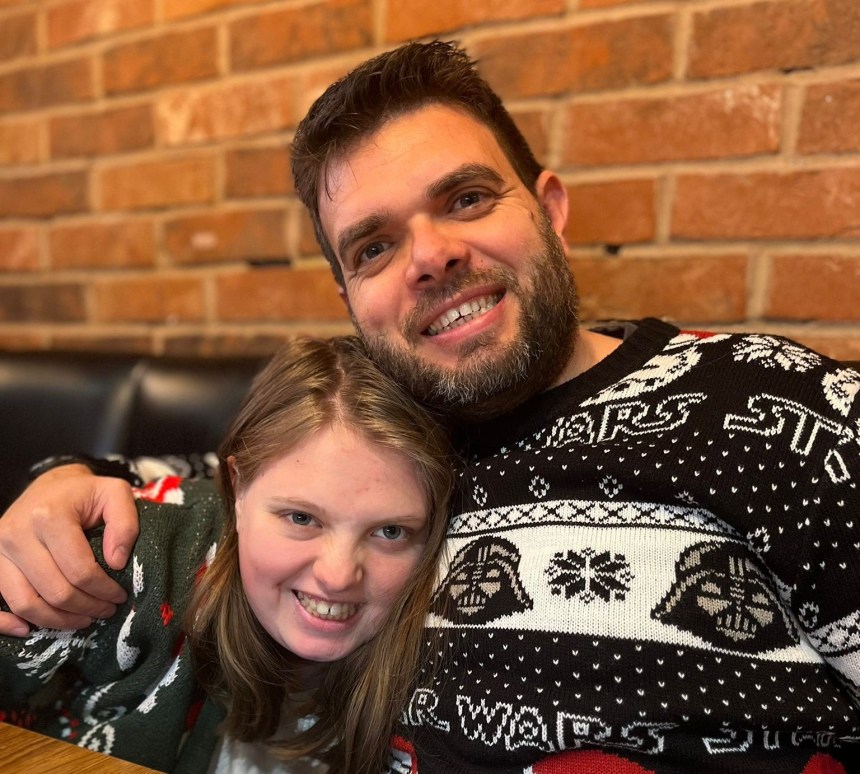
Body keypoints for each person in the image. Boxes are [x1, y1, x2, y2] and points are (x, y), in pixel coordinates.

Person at [1, 40, 859, 772]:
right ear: (350, 298)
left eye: (466, 199)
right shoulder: (387, 434)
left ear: (551, 212)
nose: (432, 255)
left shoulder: (772, 407)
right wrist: (67, 481)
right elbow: (218, 483)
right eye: (374, 246)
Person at [0, 335, 453, 773]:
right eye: (301, 518)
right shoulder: (135, 563)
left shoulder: (460, 628)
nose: (337, 576)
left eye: (390, 532)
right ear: (237, 487)